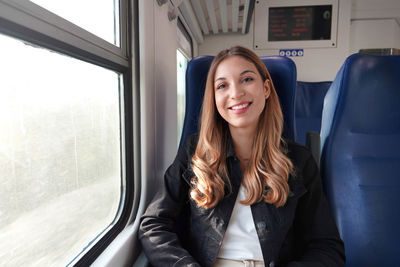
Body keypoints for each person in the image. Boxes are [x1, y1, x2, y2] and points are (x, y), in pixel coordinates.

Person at [139, 46, 345, 267]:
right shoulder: (194, 151)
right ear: (215, 100)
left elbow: (327, 247)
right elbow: (153, 224)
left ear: (266, 89)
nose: (236, 93)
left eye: (246, 79)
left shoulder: (299, 161)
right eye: (222, 85)